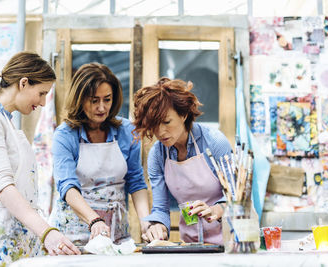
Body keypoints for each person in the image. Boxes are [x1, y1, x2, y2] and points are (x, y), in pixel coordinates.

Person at [0, 51, 81, 267]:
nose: (42, 102)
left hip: (10, 238)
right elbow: (4, 187)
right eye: (41, 93)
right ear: (24, 83)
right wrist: (47, 233)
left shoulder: (5, 120)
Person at [49, 63, 150, 245]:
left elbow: (136, 181)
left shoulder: (127, 131)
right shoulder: (65, 135)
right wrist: (94, 220)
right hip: (72, 236)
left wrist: (146, 223)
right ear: (80, 99)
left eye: (107, 99)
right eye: (94, 100)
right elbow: (67, 185)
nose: (102, 108)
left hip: (116, 235)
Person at [133, 77, 233, 245]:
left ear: (184, 114)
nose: (160, 131)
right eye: (154, 124)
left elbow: (238, 197)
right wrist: (157, 227)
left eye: (166, 122)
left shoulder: (214, 142)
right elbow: (160, 209)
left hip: (229, 240)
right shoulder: (158, 155)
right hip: (191, 243)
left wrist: (214, 209)